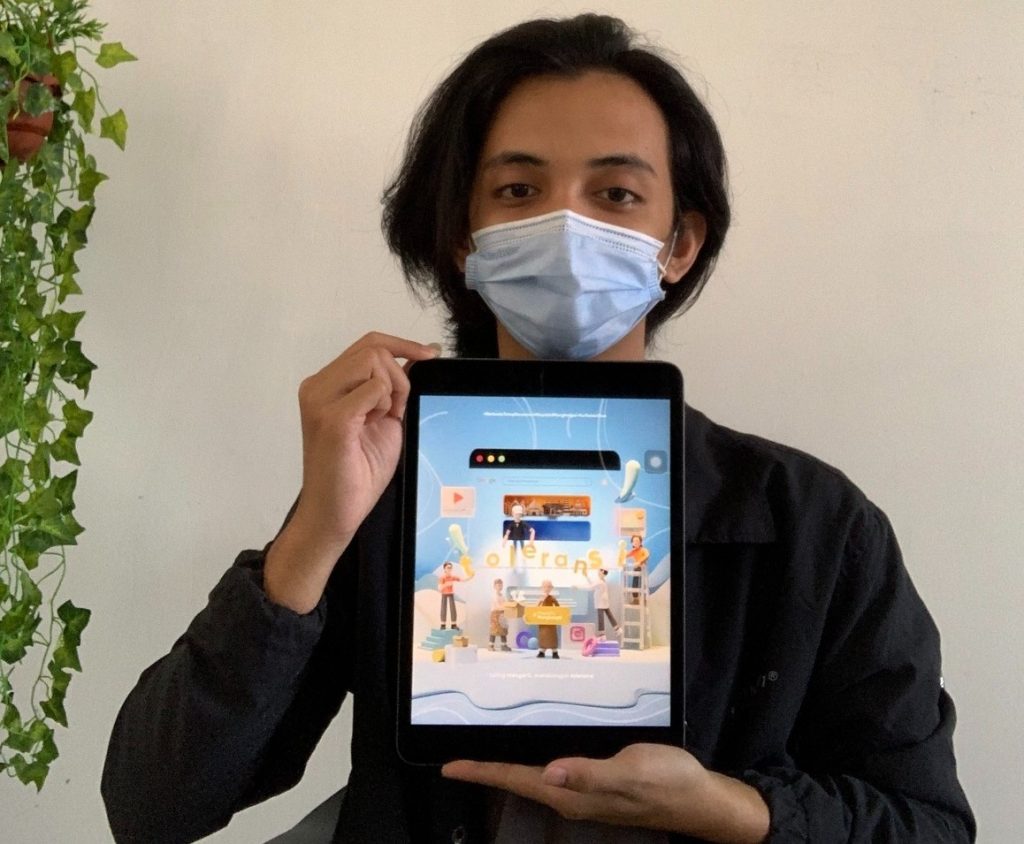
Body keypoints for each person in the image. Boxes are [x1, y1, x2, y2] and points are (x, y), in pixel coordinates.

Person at [101, 14, 975, 843]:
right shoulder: (382, 486)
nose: (567, 224)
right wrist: (314, 537)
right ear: (463, 237)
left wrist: (730, 809)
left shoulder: (816, 525)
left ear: (679, 244)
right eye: (518, 190)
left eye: (617, 193)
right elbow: (153, 805)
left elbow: (928, 823)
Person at [535, 580, 561, 659]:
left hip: (551, 620)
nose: (547, 588)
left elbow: (558, 607)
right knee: (543, 635)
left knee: (552, 635)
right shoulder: (540, 598)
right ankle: (542, 650)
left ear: (551, 588)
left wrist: (557, 614)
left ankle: (554, 651)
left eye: (549, 587)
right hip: (543, 620)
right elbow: (535, 608)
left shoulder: (552, 598)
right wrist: (540, 601)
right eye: (545, 587)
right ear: (542, 588)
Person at [438, 561, 463, 631]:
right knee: (443, 608)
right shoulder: (442, 577)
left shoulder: (453, 577)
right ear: (444, 569)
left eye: (450, 568)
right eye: (448, 568)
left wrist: (470, 576)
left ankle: (453, 624)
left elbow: (462, 580)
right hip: (444, 594)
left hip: (451, 593)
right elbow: (439, 588)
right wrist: (446, 584)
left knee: (453, 608)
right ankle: (443, 624)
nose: (449, 569)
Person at [488, 578, 511, 652]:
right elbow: (497, 606)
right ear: (494, 586)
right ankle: (491, 645)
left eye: (501, 585)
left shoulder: (502, 596)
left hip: (502, 614)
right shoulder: (494, 596)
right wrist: (505, 607)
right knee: (494, 630)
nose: (500, 587)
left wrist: (507, 606)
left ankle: (504, 645)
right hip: (495, 614)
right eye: (498, 585)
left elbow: (505, 603)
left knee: (503, 629)